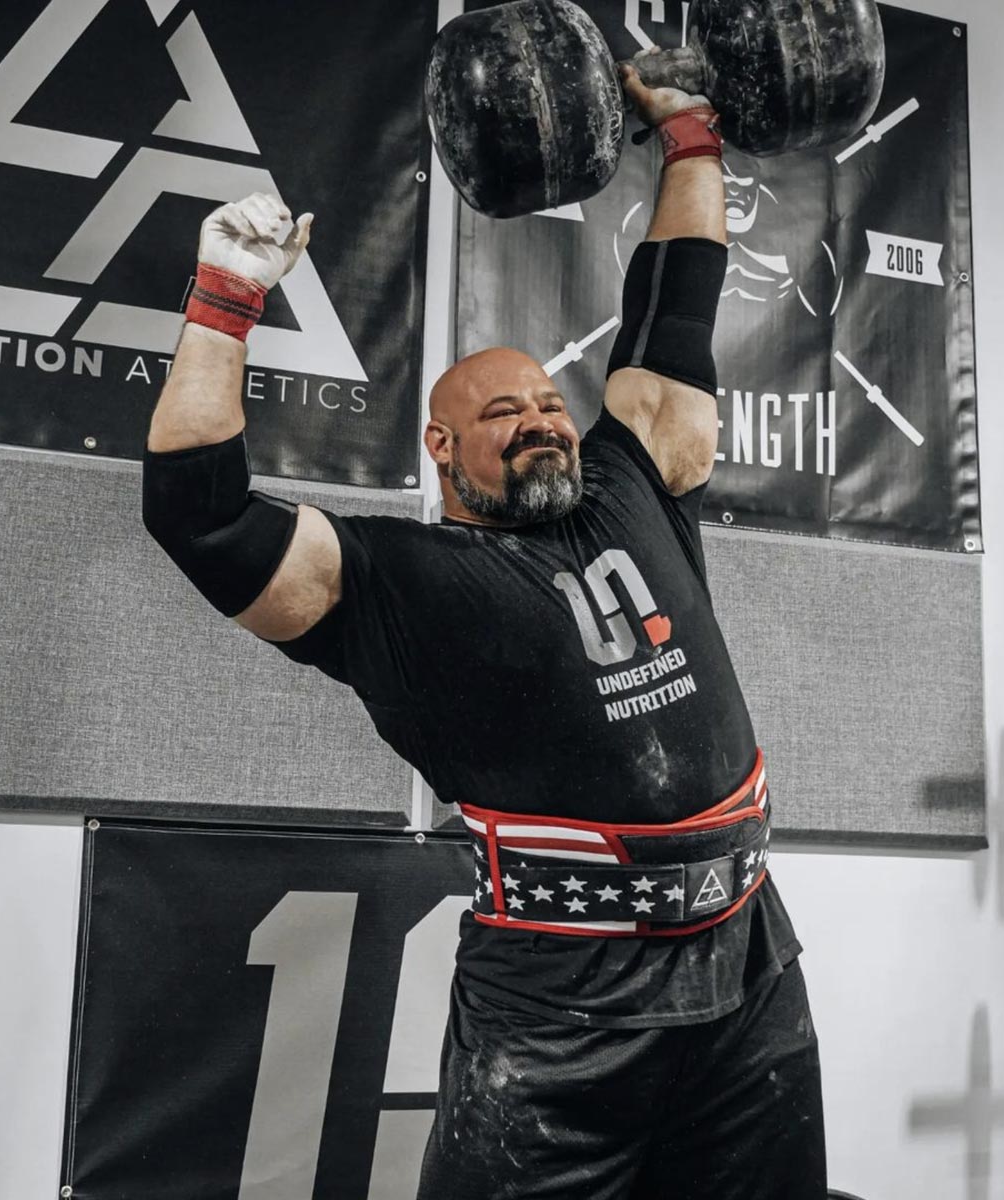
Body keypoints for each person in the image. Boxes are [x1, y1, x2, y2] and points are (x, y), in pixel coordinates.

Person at [142, 63, 825, 1200]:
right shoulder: (394, 583)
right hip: (562, 1013)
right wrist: (225, 298)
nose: (542, 422)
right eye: (503, 413)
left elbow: (677, 298)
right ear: (441, 447)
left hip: (748, 966)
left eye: (550, 403)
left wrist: (691, 137)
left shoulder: (632, 483)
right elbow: (199, 517)